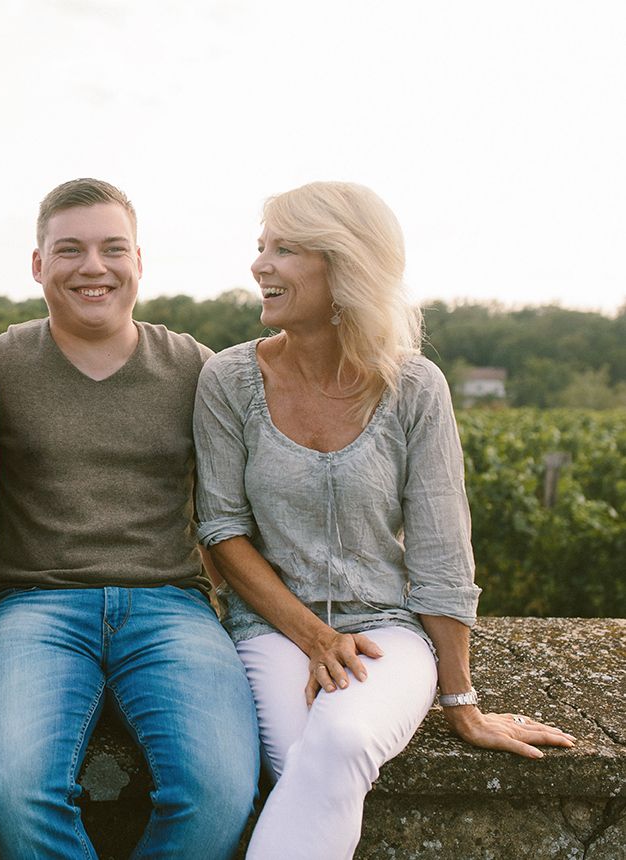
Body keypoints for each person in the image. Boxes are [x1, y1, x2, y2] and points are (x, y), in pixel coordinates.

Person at [194, 181, 576, 860]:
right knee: (306, 761)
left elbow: (441, 552)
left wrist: (461, 701)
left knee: (338, 743)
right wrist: (313, 637)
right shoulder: (227, 380)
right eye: (261, 247)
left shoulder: (415, 386)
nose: (260, 265)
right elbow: (221, 531)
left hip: (388, 631)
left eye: (284, 250)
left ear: (344, 266)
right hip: (272, 629)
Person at [0, 178, 260, 859]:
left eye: (111, 248)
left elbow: (239, 510)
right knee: (11, 786)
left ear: (138, 260)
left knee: (217, 793)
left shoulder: (195, 369)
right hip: (33, 608)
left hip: (172, 606)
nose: (93, 267)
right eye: (69, 250)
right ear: (39, 264)